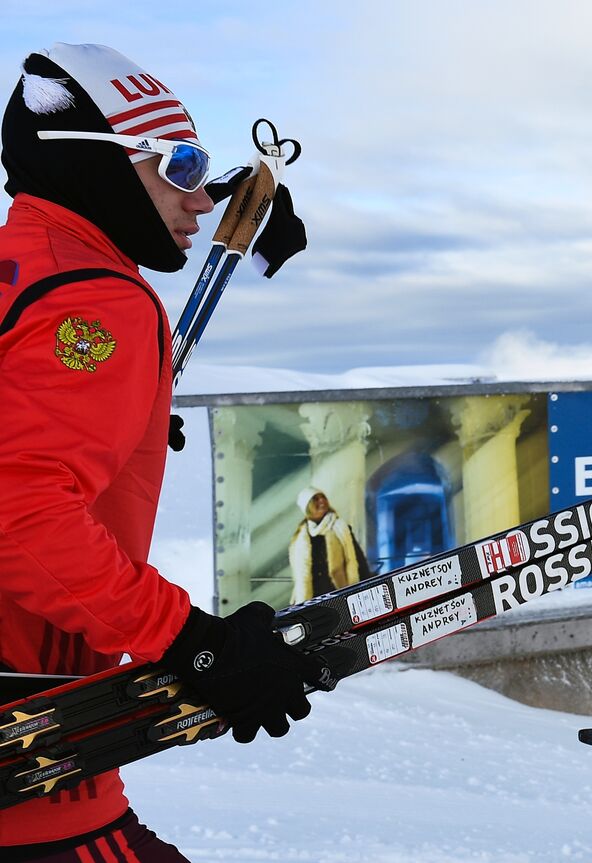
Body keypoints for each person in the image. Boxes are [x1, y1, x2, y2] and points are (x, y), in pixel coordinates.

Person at [0, 43, 330, 858]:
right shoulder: (95, 298)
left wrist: (125, 423)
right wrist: (191, 641)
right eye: (180, 163)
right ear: (96, 167)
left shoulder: (22, 266)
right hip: (37, 772)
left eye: (206, 169)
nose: (196, 193)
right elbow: (20, 514)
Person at [289, 488, 372, 604]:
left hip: (340, 595)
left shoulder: (341, 528)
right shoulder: (299, 537)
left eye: (323, 497)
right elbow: (299, 575)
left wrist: (367, 588)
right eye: (315, 499)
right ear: (307, 506)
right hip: (312, 601)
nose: (322, 501)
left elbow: (359, 560)